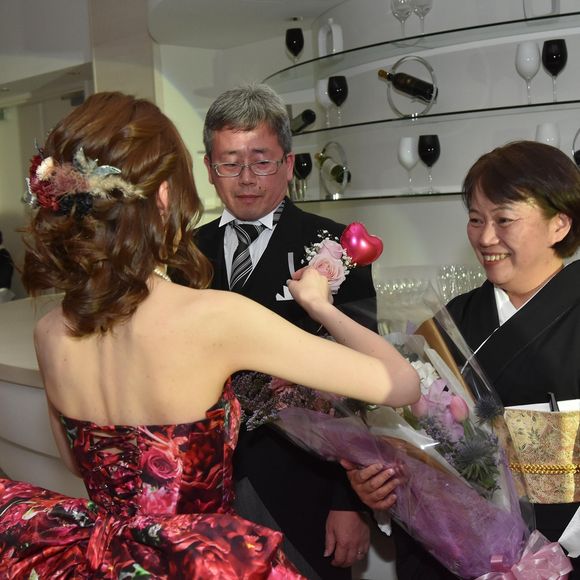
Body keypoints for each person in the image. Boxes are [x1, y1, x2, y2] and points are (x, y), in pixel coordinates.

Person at [0, 91, 420, 577]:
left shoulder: (49, 333)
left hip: (108, 560)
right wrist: (319, 306)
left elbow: (78, 463)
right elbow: (401, 384)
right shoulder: (219, 318)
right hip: (204, 561)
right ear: (163, 196)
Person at [343, 140, 580, 579]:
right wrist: (381, 487)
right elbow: (413, 447)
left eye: (504, 219)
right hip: (452, 557)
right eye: (475, 219)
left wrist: (546, 552)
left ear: (559, 224)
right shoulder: (450, 322)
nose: (485, 238)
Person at [194, 83, 378, 579]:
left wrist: (349, 502)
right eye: (230, 163)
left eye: (261, 161)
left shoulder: (336, 246)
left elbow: (360, 380)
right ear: (209, 168)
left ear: (289, 163)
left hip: (308, 486)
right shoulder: (184, 253)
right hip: (207, 488)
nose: (246, 178)